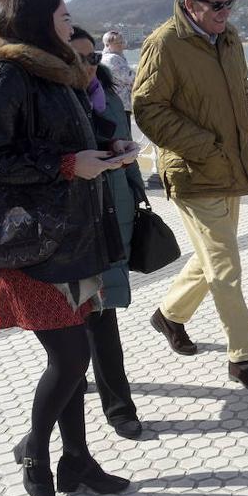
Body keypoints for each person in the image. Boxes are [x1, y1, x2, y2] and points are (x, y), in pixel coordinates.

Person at [0, 0, 133, 496]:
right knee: (70, 357)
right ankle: (36, 449)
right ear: (38, 22)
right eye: (63, 15)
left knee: (73, 356)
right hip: (30, 247)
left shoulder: (55, 73)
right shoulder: (6, 77)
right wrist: (67, 166)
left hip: (68, 236)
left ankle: (77, 461)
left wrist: (108, 146)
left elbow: (64, 138)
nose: (70, 21)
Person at [133, 0, 248, 393]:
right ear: (189, 4)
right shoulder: (164, 44)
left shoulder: (230, 39)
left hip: (229, 167)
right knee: (226, 266)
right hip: (195, 172)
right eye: (216, 5)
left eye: (229, 2)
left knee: (211, 258)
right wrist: (205, 147)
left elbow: (241, 91)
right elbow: (148, 109)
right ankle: (244, 359)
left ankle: (170, 314)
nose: (225, 11)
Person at [70, 26, 146, 438]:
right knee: (72, 317)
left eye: (90, 57)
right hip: (69, 222)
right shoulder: (51, 99)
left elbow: (120, 136)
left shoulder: (104, 89)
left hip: (110, 210)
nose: (87, 66)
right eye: (76, 58)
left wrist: (123, 157)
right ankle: (72, 376)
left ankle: (119, 407)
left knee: (102, 312)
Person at [100, 30, 135, 115]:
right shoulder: (112, 59)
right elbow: (129, 78)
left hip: (117, 103)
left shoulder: (109, 57)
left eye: (122, 42)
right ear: (107, 45)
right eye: (117, 43)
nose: (121, 45)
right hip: (119, 103)